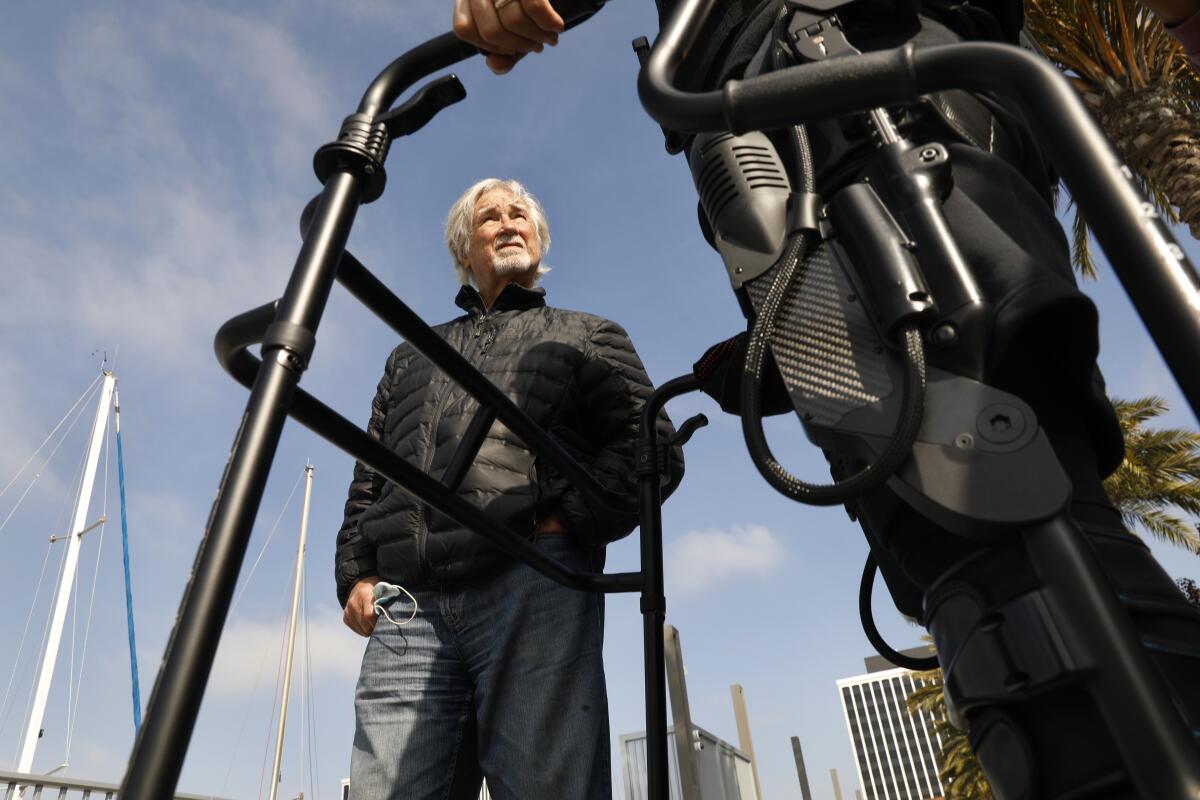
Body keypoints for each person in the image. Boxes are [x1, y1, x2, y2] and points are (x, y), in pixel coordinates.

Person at [334, 177, 681, 800]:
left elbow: (650, 448)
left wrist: (560, 521)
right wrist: (355, 574)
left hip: (532, 580)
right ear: (465, 248)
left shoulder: (586, 333)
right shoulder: (412, 353)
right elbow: (371, 471)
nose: (507, 222)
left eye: (519, 214)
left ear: (539, 241)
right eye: (489, 216)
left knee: (546, 787)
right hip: (408, 604)